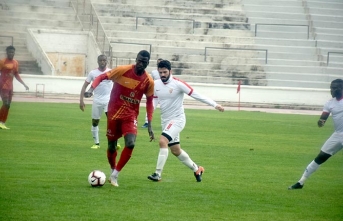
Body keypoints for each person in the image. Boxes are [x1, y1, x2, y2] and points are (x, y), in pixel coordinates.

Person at [84, 50, 155, 187]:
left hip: (130, 116)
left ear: (147, 63)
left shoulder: (148, 81)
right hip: (114, 113)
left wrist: (150, 124)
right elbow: (101, 77)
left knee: (130, 143)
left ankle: (115, 175)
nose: (141, 63)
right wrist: (91, 90)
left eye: (144, 62)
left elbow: (150, 102)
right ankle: (112, 169)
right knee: (111, 146)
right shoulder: (123, 70)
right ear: (136, 59)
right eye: (139, 60)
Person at [147, 60, 224, 182]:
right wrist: (148, 117)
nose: (162, 75)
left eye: (165, 72)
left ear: (170, 71)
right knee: (176, 150)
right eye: (160, 72)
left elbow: (196, 95)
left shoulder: (178, 84)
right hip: (165, 121)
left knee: (163, 141)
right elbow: (154, 101)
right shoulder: (156, 84)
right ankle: (197, 169)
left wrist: (215, 105)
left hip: (177, 119)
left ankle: (157, 174)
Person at [288, 78, 343, 190]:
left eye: (334, 88)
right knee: (321, 157)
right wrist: (321, 122)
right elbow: (323, 119)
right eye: (331, 88)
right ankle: (301, 182)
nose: (331, 90)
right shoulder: (329, 103)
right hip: (338, 135)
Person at [80, 54, 117, 149]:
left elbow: (117, 84)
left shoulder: (111, 72)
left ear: (107, 61)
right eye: (100, 60)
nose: (102, 62)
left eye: (104, 60)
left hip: (108, 100)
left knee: (112, 121)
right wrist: (81, 100)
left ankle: (115, 142)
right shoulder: (93, 73)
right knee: (95, 122)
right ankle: (96, 143)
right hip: (97, 100)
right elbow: (84, 86)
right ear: (98, 61)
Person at [0, 45, 29, 129]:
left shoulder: (15, 63)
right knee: (6, 103)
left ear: (14, 53)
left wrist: (24, 84)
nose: (11, 53)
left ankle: (2, 123)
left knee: (8, 105)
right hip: (3, 86)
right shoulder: (2, 62)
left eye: (12, 52)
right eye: (9, 52)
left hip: (10, 87)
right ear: (7, 53)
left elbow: (16, 74)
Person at [142, 58, 163, 128]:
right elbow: (151, 81)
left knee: (166, 108)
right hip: (155, 93)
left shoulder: (165, 71)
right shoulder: (154, 72)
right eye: (158, 63)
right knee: (151, 107)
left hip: (163, 94)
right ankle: (146, 122)